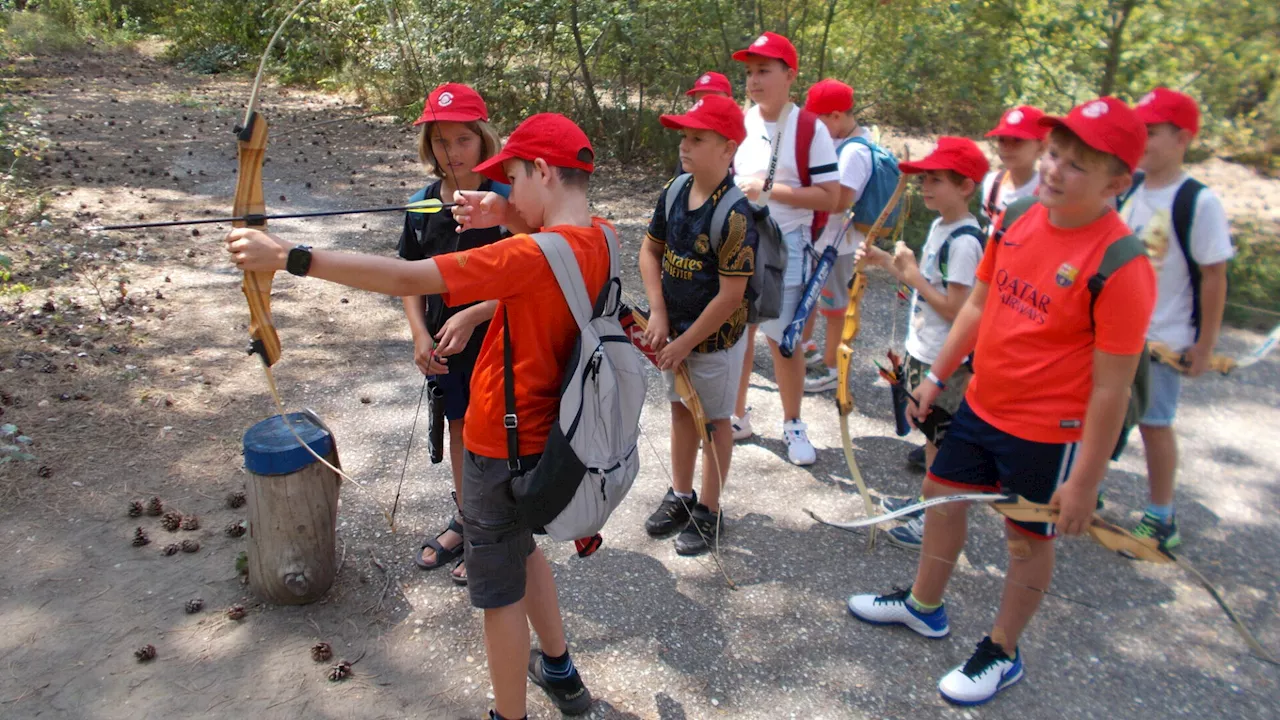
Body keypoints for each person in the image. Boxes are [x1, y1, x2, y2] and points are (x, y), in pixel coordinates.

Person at [226, 112, 606, 720]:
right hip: (548, 444)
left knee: (499, 593)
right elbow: (549, 228)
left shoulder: (531, 257)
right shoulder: (602, 237)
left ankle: (509, 715)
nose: (504, 190)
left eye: (510, 177)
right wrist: (504, 213)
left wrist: (288, 256)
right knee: (522, 548)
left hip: (496, 445)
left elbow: (406, 276)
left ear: (539, 170)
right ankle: (559, 670)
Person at [846, 98, 1157, 706]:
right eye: (1056, 154)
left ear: (1117, 184)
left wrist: (1086, 481)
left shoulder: (1121, 264)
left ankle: (1002, 648)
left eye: (1076, 166)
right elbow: (980, 307)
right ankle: (924, 605)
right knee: (940, 494)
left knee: (1024, 538)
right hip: (981, 403)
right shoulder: (1016, 216)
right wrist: (935, 378)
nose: (1054, 169)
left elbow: (1112, 388)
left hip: (1048, 430)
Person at [856, 137, 989, 550]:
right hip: (925, 350)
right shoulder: (940, 226)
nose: (925, 187)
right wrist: (884, 261)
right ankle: (925, 504)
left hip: (946, 363)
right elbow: (926, 286)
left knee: (941, 450)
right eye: (923, 179)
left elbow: (957, 309)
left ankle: (933, 522)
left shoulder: (965, 242)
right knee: (931, 439)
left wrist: (911, 275)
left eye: (936, 180)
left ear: (965, 186)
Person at [402, 83, 509, 586]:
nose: (452, 153)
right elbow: (408, 274)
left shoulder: (508, 201)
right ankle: (467, 519)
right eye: (440, 142)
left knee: (493, 433)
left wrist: (473, 316)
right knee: (458, 427)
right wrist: (420, 335)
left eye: (463, 140)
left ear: (483, 139)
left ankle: (492, 530)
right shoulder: (423, 203)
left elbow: (534, 280)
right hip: (444, 344)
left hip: (497, 339)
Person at [640, 95, 756, 556]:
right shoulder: (674, 190)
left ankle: (709, 509)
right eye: (683, 137)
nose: (685, 146)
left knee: (713, 422)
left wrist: (687, 341)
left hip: (712, 343)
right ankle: (681, 494)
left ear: (728, 150)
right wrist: (660, 314)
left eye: (697, 138)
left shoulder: (734, 214)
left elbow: (731, 296)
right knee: (680, 410)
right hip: (676, 337)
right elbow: (651, 251)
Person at [1125, 87, 1234, 548]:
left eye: (1150, 131)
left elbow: (1213, 276)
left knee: (1154, 423)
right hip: (1117, 333)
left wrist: (1203, 345)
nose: (1141, 138)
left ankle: (1161, 515)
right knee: (1101, 413)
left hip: (1164, 338)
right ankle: (1090, 490)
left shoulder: (1198, 201)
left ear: (1183, 138)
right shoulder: (1127, 184)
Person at [727, 31, 841, 463]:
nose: (754, 81)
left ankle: (794, 424)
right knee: (738, 330)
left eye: (764, 71)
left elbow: (831, 196)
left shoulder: (809, 128)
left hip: (788, 243)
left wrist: (769, 189)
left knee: (784, 339)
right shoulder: (744, 121)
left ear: (789, 75)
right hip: (742, 238)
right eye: (750, 72)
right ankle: (737, 414)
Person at [797, 78, 876, 394]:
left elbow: (840, 201)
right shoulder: (843, 143)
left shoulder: (854, 152)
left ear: (836, 116)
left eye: (818, 119)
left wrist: (798, 198)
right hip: (825, 241)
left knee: (834, 307)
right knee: (813, 298)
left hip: (839, 245)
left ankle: (832, 369)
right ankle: (807, 348)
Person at [980, 105, 1048, 224]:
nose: (1007, 147)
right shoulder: (992, 183)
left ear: (1041, 148)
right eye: (1002, 140)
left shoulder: (1047, 190)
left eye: (1018, 140)